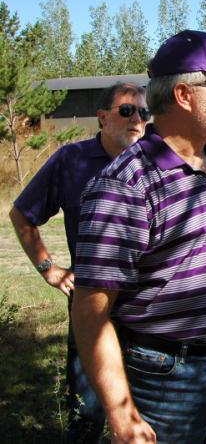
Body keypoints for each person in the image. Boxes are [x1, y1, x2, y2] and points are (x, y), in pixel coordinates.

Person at [71, 30, 206, 443]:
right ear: (185, 95)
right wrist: (121, 413)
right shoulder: (126, 185)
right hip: (168, 381)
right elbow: (90, 310)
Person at [9, 82, 148, 443]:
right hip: (93, 306)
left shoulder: (155, 161)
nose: (137, 119)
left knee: (147, 413)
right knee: (87, 411)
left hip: (149, 310)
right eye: (127, 110)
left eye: (143, 113)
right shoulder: (72, 161)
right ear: (102, 117)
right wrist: (48, 270)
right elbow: (22, 214)